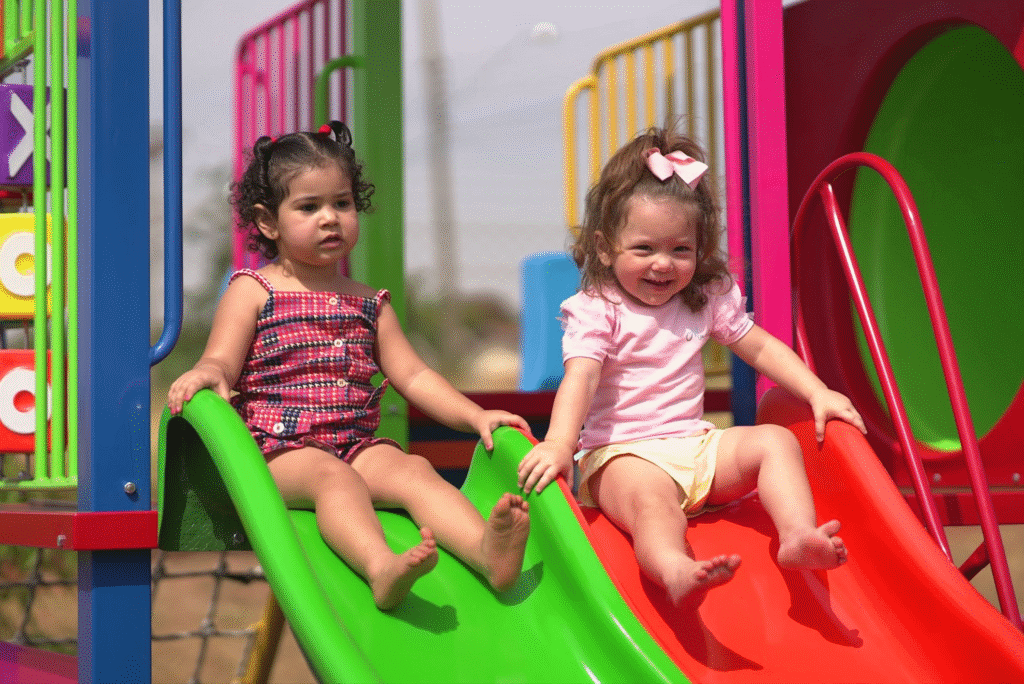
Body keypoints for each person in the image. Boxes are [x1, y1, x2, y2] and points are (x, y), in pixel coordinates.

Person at [168, 121, 531, 610]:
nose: (330, 218)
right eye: (308, 206)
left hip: (356, 445)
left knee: (413, 470)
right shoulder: (253, 290)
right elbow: (221, 358)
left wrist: (475, 416)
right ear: (267, 221)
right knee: (330, 478)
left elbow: (416, 376)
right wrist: (209, 372)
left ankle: (486, 553)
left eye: (342, 203)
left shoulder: (369, 303)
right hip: (279, 453)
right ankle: (380, 566)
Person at [517, 126, 866, 609]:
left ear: (698, 250)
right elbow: (582, 377)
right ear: (603, 248)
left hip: (697, 448)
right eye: (644, 249)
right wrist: (558, 443)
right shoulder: (598, 308)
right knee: (655, 507)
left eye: (679, 250)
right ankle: (673, 567)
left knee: (775, 441)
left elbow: (759, 347)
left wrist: (816, 391)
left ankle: (797, 535)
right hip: (623, 459)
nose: (663, 264)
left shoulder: (704, 298)